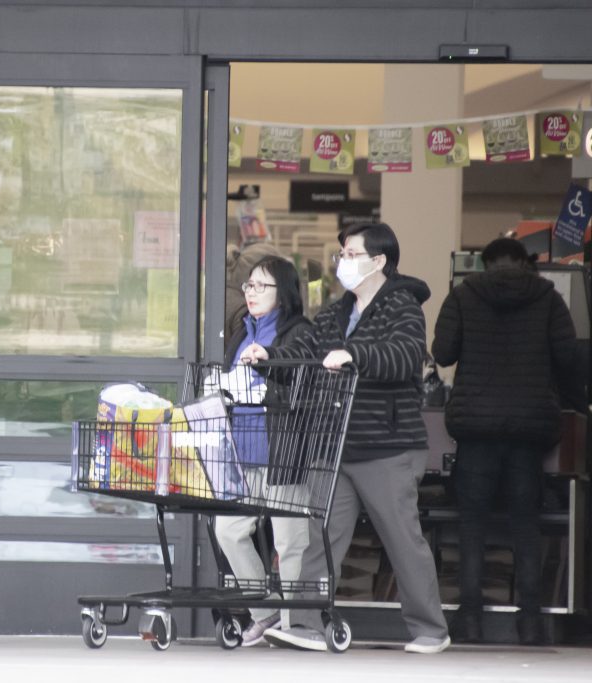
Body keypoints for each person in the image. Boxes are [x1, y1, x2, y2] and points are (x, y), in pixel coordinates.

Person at [244, 222, 450, 654]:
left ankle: (430, 629)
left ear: (378, 261)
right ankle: (304, 625)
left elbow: (405, 356)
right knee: (323, 534)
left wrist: (355, 354)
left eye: (352, 255)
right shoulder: (337, 313)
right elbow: (307, 356)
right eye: (342, 255)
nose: (343, 262)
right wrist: (271, 357)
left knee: (401, 538)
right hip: (336, 444)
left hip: (387, 446)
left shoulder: (403, 306)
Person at [431, 237, 584, 645]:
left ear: (483, 264)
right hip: (527, 429)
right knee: (525, 525)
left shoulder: (463, 296)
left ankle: (470, 619)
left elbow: (442, 353)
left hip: (476, 428)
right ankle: (531, 621)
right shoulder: (549, 299)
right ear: (525, 263)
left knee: (472, 526)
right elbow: (569, 357)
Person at [214, 256, 311, 647]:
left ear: (283, 292)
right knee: (229, 530)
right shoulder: (241, 331)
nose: (251, 293)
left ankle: (291, 626)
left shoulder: (297, 331)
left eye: (261, 286)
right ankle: (264, 610)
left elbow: (304, 379)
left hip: (282, 451)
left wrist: (270, 362)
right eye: (249, 286)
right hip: (243, 451)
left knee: (289, 541)